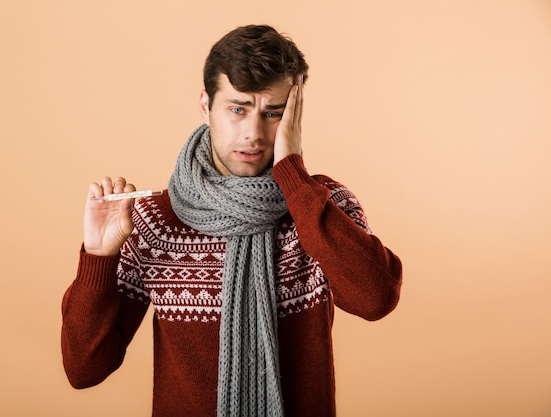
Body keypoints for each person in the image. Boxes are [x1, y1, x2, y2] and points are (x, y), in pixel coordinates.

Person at [61, 24, 402, 417]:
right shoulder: (154, 221)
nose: (254, 134)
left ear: (295, 116)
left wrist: (292, 173)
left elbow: (376, 299)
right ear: (206, 106)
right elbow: (84, 369)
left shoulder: (321, 207)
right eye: (237, 109)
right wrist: (99, 258)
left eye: (272, 113)